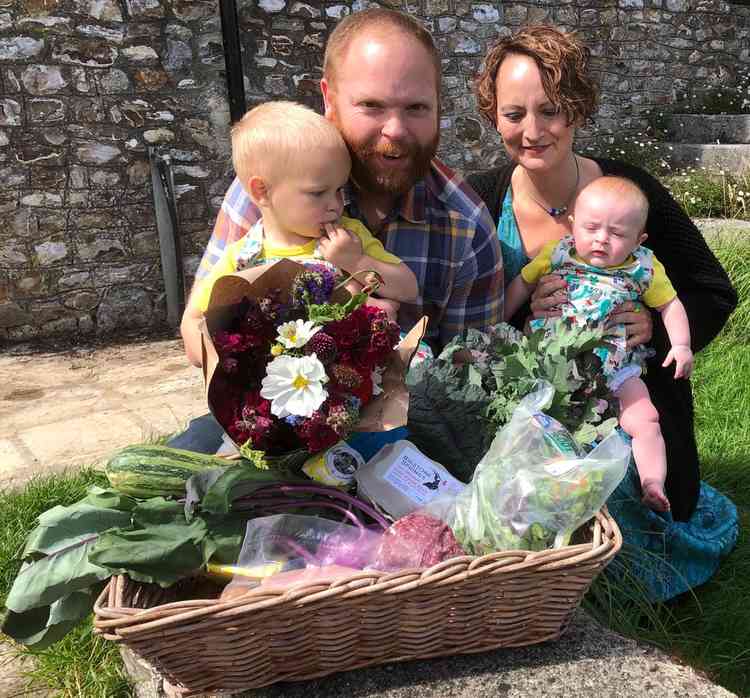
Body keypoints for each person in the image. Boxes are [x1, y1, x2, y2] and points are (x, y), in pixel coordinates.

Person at [170, 8, 504, 454]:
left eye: (416, 107)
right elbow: (200, 329)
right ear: (328, 99)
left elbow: (470, 372)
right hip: (275, 419)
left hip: (403, 433)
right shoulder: (272, 188)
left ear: (439, 107)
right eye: (371, 105)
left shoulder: (466, 226)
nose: (396, 130)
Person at [466, 25, 737, 523]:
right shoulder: (477, 199)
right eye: (514, 113)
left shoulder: (630, 190)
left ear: (577, 108)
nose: (531, 130)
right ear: (492, 116)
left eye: (550, 110)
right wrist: (524, 316)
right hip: (532, 403)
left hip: (629, 392)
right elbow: (464, 316)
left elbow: (712, 290)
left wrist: (652, 327)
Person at [505, 176, 695, 512]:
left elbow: (671, 304)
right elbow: (521, 285)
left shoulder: (644, 268)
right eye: (591, 228)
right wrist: (496, 321)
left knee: (646, 419)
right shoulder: (557, 252)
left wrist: (680, 345)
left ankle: (653, 483)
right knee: (533, 421)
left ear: (640, 240)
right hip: (555, 364)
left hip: (616, 368)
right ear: (573, 225)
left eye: (618, 234)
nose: (601, 240)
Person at [180, 100, 418, 368]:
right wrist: (222, 364)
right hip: (285, 388)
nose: (336, 204)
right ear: (262, 191)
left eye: (339, 189)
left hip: (357, 376)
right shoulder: (243, 258)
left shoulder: (346, 237)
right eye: (318, 193)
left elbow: (409, 289)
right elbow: (193, 319)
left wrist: (357, 262)